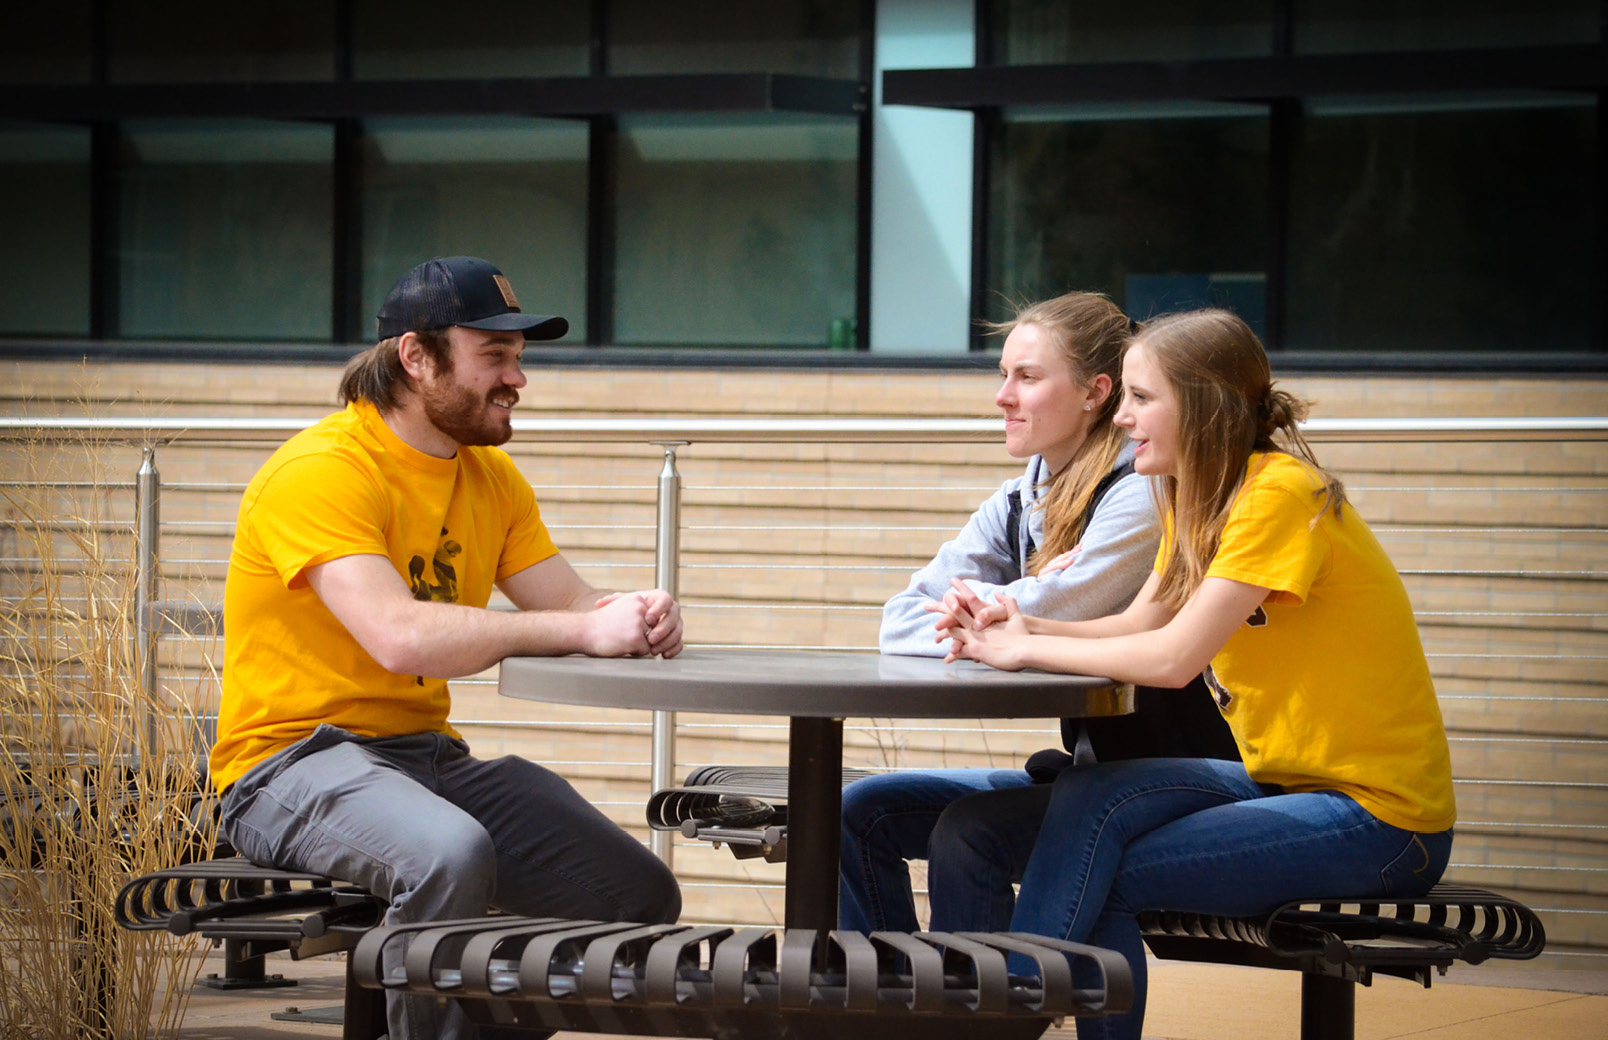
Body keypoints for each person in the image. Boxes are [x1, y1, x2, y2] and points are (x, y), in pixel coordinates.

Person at [937, 308, 1456, 1040]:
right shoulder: (1194, 495)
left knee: (1104, 869)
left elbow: (1174, 659)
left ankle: (1005, 1019)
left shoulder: (1278, 495)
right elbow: (1140, 623)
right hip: (1284, 783)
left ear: (1204, 405)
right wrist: (1021, 626)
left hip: (1381, 819)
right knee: (1087, 799)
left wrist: (1023, 651)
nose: (1120, 418)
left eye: (1142, 398)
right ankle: (997, 1020)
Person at [208, 256, 683, 1040]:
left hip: (427, 758)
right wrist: (582, 627)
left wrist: (636, 613)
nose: (517, 379)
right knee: (449, 855)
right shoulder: (322, 472)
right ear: (416, 359)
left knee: (635, 894)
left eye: (520, 358)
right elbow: (399, 636)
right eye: (493, 357)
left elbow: (568, 604)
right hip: (288, 764)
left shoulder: (490, 478)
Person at [839, 291, 1238, 935]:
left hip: (1180, 773)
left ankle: (985, 1015)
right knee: (859, 810)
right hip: (1093, 772)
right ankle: (890, 1010)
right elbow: (901, 618)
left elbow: (1021, 627)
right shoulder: (1023, 497)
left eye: (1026, 377)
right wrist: (1014, 598)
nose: (1003, 396)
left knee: (970, 833)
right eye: (1003, 375)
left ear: (1094, 392)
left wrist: (1004, 610)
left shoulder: (1142, 493)